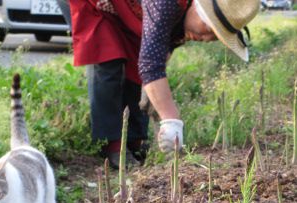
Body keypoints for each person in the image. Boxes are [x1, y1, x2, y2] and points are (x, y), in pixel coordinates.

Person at [68, 0, 260, 168]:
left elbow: (159, 54)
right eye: (210, 28)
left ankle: (134, 138)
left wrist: (150, 90)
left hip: (125, 10)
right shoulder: (167, 3)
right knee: (108, 57)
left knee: (136, 65)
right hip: (96, 4)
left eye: (216, 37)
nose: (208, 39)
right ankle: (111, 143)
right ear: (198, 7)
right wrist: (171, 119)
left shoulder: (184, 18)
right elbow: (150, 65)